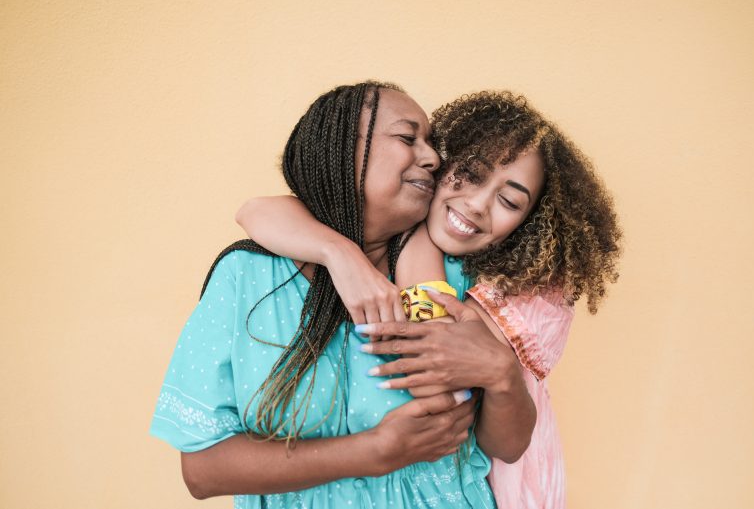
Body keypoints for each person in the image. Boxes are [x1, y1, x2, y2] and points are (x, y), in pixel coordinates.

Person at [150, 82, 537, 509]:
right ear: (339, 149)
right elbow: (202, 472)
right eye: (408, 138)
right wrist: (372, 453)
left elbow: (506, 445)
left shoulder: (454, 275)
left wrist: (503, 374)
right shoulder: (246, 276)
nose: (433, 158)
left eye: (431, 144)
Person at [235, 91, 622, 508]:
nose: (476, 205)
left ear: (531, 223)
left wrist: (498, 368)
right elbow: (256, 209)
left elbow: (447, 396)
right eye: (471, 174)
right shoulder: (409, 227)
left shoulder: (527, 293)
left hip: (507, 485)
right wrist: (341, 254)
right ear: (441, 164)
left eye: (509, 201)